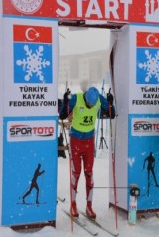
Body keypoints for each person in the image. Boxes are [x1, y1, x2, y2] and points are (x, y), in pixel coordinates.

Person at [59, 86, 115, 219]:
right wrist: (65, 102)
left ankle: (89, 206)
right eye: (89, 104)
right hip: (75, 141)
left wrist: (110, 102)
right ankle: (73, 204)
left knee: (89, 173)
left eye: (93, 105)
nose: (91, 106)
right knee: (76, 173)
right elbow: (62, 115)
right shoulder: (76, 98)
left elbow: (112, 114)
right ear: (85, 98)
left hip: (89, 142)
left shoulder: (99, 99)